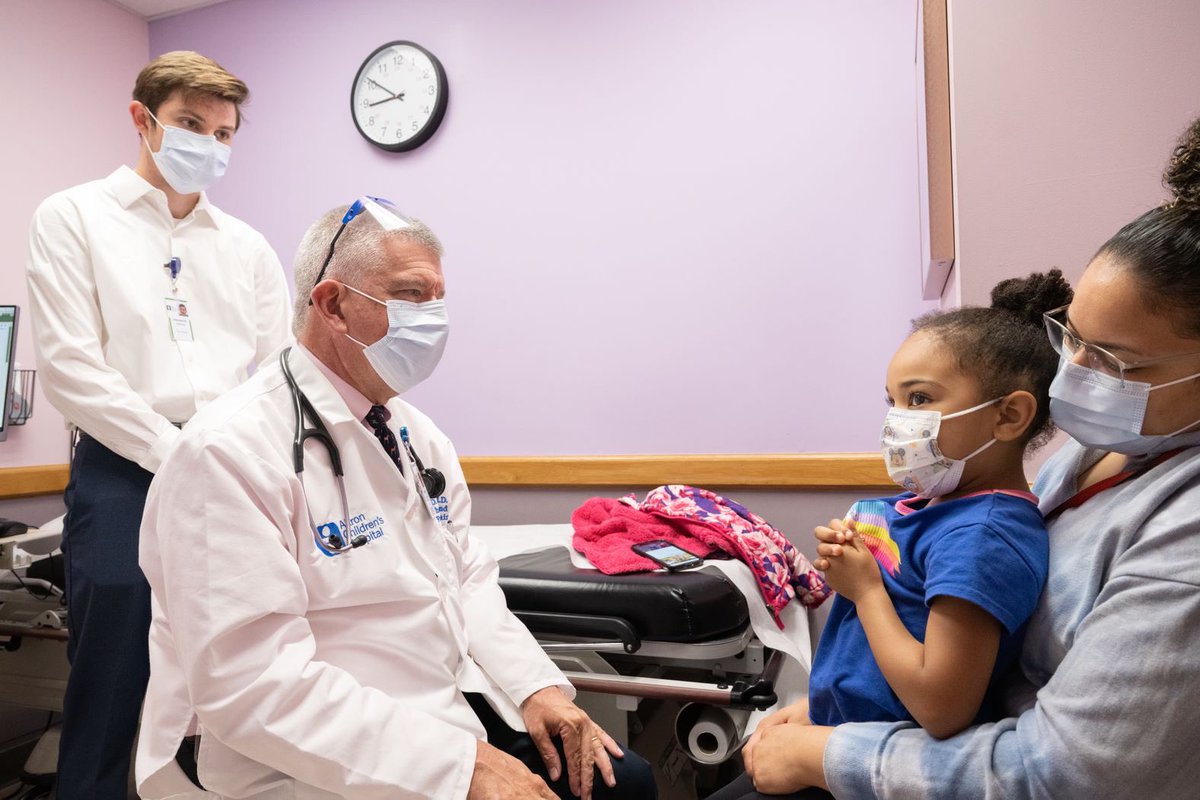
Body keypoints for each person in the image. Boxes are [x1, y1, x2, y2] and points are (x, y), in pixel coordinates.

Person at [710, 115, 1200, 799]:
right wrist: (834, 717)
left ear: (1008, 418)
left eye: (1116, 360)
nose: (1073, 375)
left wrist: (828, 752)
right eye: (1073, 338)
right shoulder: (1089, 456)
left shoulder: (1173, 532)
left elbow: (1064, 770)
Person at [134, 198, 657, 800]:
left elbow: (465, 579)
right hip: (295, 759)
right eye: (412, 295)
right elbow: (251, 687)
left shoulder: (418, 437)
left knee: (624, 785)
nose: (433, 319)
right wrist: (464, 768)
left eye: (438, 299)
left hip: (429, 719)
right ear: (332, 304)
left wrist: (534, 687)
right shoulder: (228, 451)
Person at [25, 51, 291, 799]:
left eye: (224, 132)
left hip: (238, 465)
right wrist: (182, 453)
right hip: (125, 465)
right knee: (114, 664)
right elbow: (76, 372)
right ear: (142, 119)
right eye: (189, 124)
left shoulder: (245, 248)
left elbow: (280, 373)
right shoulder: (73, 216)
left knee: (244, 661)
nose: (209, 143)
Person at [709, 272, 1070, 800]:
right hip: (837, 730)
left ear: (1009, 416)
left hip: (879, 768)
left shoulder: (984, 536)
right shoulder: (933, 507)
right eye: (894, 401)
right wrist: (814, 706)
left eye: (920, 398)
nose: (899, 421)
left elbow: (942, 708)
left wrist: (867, 591)